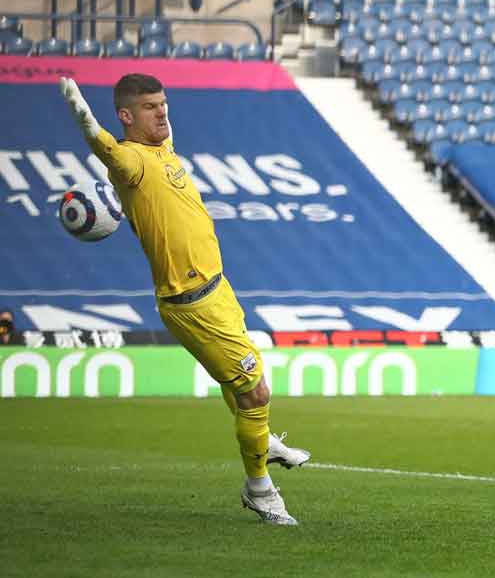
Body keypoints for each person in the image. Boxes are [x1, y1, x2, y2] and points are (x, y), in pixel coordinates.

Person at [59, 74, 311, 525]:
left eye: (164, 103)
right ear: (126, 116)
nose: (162, 112)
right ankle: (260, 490)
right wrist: (82, 116)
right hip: (190, 300)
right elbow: (106, 149)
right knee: (255, 391)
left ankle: (263, 442)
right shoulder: (131, 160)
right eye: (151, 107)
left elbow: (159, 135)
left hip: (218, 286)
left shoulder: (162, 150)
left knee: (241, 383)